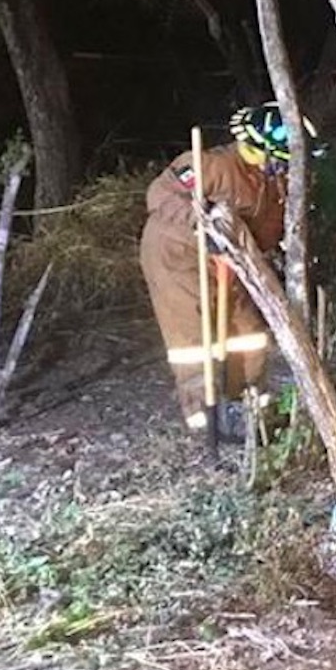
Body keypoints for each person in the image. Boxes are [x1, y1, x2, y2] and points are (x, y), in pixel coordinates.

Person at [140, 103, 303, 439]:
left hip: (235, 259)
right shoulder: (211, 164)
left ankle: (247, 410)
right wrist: (202, 223)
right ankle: (206, 420)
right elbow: (159, 194)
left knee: (248, 334)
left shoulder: (275, 179)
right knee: (195, 340)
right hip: (181, 257)